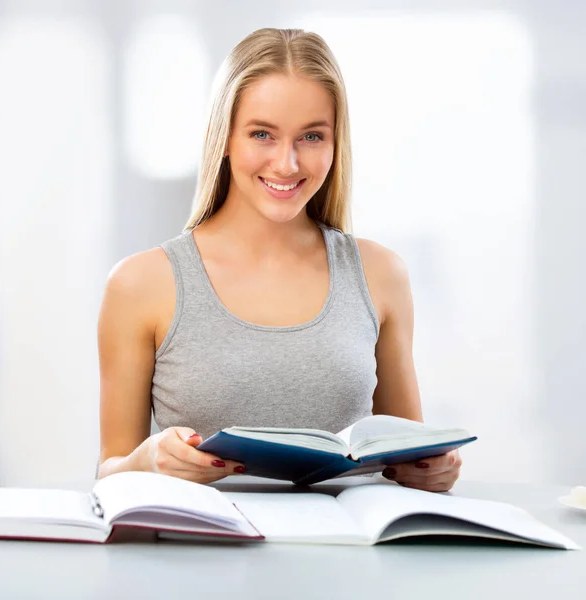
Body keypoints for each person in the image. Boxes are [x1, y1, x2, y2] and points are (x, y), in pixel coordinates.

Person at [97, 27, 462, 492]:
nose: (287, 164)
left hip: (345, 555)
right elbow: (109, 474)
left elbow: (411, 460)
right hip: (203, 553)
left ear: (335, 143)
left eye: (311, 136)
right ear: (224, 138)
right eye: (262, 134)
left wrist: (434, 471)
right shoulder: (141, 284)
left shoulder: (381, 275)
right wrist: (144, 462)